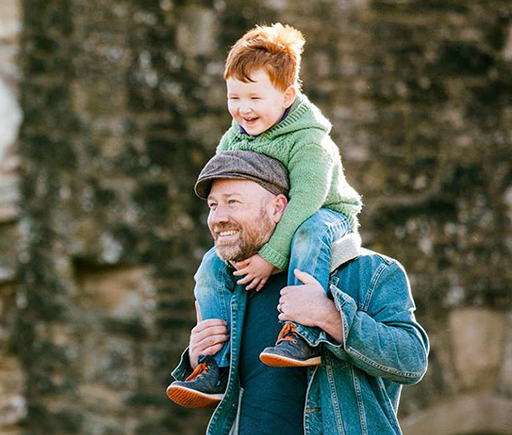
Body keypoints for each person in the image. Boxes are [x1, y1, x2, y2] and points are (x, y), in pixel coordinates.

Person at [167, 151, 429, 434]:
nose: (218, 218)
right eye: (213, 205)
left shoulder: (369, 271)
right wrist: (200, 355)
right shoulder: (227, 287)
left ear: (278, 208)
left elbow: (411, 361)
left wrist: (330, 317)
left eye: (233, 202)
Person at [180, 23, 364, 404]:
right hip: (273, 223)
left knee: (309, 233)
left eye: (254, 97)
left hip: (325, 215)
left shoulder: (310, 141)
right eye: (234, 97)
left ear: (287, 95)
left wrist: (270, 258)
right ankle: (213, 363)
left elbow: (306, 201)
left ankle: (300, 333)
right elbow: (226, 191)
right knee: (210, 265)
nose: (243, 109)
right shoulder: (235, 137)